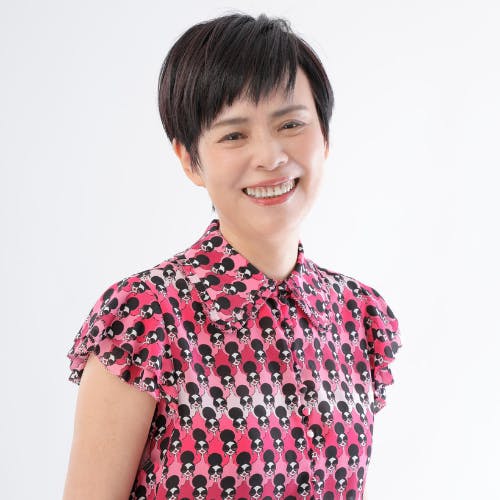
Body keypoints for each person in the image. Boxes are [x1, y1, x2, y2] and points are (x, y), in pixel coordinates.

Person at [63, 12, 402, 500]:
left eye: (291, 124)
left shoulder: (357, 315)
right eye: (234, 134)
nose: (270, 157)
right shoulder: (144, 317)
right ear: (189, 160)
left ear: (325, 138)